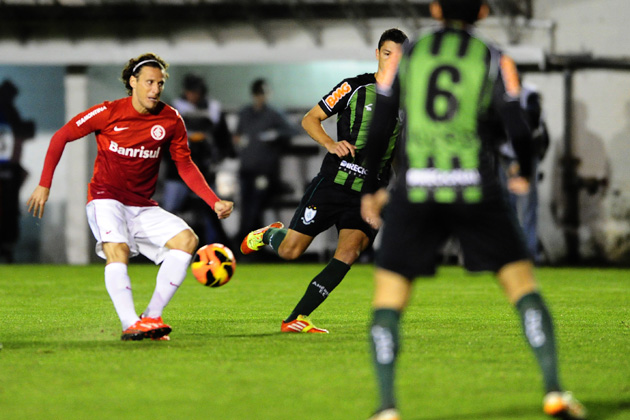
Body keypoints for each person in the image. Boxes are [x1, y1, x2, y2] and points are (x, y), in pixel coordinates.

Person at [360, 2, 586, 419]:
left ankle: (386, 407)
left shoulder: (410, 54)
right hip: (475, 187)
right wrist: (522, 168)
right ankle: (554, 390)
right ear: (482, 11)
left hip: (417, 189)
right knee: (523, 288)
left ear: (434, 8)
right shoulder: (494, 57)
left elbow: (383, 119)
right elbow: (518, 122)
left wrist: (373, 184)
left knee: (389, 299)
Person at [27, 53, 234, 341]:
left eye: (160, 84)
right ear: (133, 82)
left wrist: (214, 201)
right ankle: (130, 323)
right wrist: (44, 184)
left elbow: (185, 165)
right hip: (105, 198)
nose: (155, 89)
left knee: (187, 240)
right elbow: (60, 136)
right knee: (118, 251)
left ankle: (151, 318)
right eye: (149, 82)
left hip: (141, 204)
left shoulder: (171, 119)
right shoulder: (108, 112)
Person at [240, 28, 408, 333]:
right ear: (377, 55)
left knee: (349, 252)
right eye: (387, 54)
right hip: (333, 184)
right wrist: (331, 143)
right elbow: (309, 118)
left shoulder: (410, 100)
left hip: (370, 192)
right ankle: (268, 235)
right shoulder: (354, 87)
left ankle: (296, 317)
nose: (392, 61)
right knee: (291, 251)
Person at [162, 73, 235, 247]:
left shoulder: (213, 109)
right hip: (178, 170)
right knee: (169, 213)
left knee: (213, 211)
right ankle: (166, 249)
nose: (193, 95)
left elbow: (224, 140)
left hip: (205, 169)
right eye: (191, 91)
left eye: (196, 91)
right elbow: (164, 141)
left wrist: (218, 158)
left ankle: (214, 249)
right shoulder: (174, 109)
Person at [233, 78, 297, 245]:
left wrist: (276, 135)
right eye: (258, 94)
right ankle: (245, 242)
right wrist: (239, 141)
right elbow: (237, 135)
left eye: (263, 94)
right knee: (246, 207)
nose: (260, 98)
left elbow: (292, 130)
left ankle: (252, 243)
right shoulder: (245, 113)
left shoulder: (273, 114)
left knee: (256, 206)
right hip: (246, 168)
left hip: (264, 170)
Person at [499, 84, 550, 264]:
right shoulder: (498, 91)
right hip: (505, 155)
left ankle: (529, 252)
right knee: (507, 207)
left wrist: (523, 163)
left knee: (527, 206)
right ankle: (511, 253)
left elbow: (531, 127)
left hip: (525, 154)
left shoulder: (530, 94)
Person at [0, 80, 35, 263]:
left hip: (9, 168)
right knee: (8, 206)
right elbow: (18, 139)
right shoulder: (9, 113)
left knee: (9, 207)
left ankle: (7, 246)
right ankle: (6, 245)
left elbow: (18, 139)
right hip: (8, 167)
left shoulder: (11, 113)